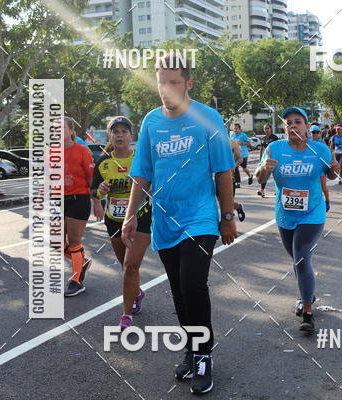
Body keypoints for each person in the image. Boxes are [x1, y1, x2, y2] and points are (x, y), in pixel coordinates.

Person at [124, 53, 236, 394]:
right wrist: (130, 214)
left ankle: (203, 357)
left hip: (200, 217)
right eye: (162, 81)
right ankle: (192, 347)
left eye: (174, 82)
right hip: (165, 222)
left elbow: (224, 170)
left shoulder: (208, 118)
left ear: (188, 83)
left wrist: (227, 216)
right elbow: (142, 172)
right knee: (177, 291)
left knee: (192, 285)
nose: (167, 88)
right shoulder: (150, 123)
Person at [255, 106, 339, 332]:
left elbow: (331, 175)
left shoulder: (319, 149)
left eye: (298, 121)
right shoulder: (275, 148)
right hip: (285, 215)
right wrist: (264, 168)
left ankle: (308, 311)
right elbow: (258, 177)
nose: (293, 125)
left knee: (301, 257)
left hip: (312, 212)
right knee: (298, 260)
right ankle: (308, 293)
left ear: (306, 126)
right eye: (288, 122)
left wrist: (334, 169)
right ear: (284, 128)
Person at [90, 116, 152, 329]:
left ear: (131, 136)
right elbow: (94, 190)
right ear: (110, 136)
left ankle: (126, 315)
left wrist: (149, 193)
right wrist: (100, 191)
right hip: (114, 220)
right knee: (125, 265)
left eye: (124, 131)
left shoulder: (140, 158)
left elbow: (153, 181)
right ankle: (137, 292)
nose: (119, 135)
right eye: (115, 132)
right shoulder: (104, 162)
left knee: (130, 265)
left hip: (141, 217)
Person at [62, 117, 95, 296]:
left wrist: (97, 202)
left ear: (72, 131)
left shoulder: (82, 150)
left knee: (74, 241)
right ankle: (81, 262)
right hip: (59, 200)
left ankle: (77, 280)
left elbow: (92, 179)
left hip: (79, 199)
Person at [309, 125, 331, 211]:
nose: (315, 134)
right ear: (310, 133)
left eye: (317, 132)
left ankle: (327, 201)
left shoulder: (321, 142)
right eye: (313, 132)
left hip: (321, 168)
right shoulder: (307, 142)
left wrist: (328, 164)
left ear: (319, 133)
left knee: (323, 188)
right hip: (310, 168)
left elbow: (328, 152)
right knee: (310, 187)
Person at [257, 123, 278, 197]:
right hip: (265, 159)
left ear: (271, 129)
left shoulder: (274, 137)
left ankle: (277, 190)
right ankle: (262, 191)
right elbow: (261, 149)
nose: (266, 130)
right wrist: (260, 159)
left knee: (276, 174)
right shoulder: (263, 138)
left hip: (274, 158)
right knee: (264, 175)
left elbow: (277, 148)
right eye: (265, 128)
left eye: (267, 128)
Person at [229, 139, 246, 221]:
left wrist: (233, 166)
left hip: (229, 177)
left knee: (227, 204)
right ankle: (238, 207)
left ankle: (229, 223)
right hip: (216, 177)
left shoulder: (232, 143)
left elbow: (240, 159)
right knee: (222, 203)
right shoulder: (212, 142)